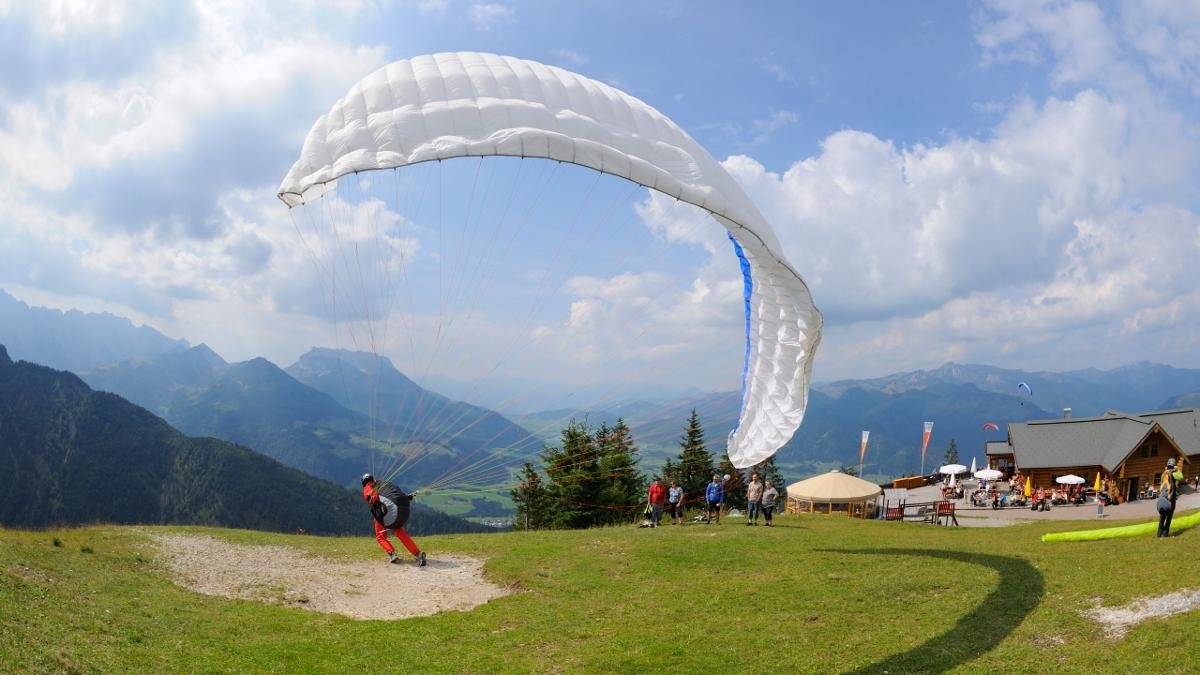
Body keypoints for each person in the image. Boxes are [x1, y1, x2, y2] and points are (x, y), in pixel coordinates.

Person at [362, 473, 426, 566]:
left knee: (380, 536)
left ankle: (392, 554)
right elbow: (395, 494)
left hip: (385, 513)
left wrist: (372, 498)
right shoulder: (382, 483)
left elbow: (371, 496)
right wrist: (407, 497)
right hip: (401, 509)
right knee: (399, 531)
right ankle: (418, 554)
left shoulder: (367, 487)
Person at [1157, 458, 1179, 538]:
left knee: (1162, 517)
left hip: (1162, 499)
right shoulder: (1173, 473)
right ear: (1174, 465)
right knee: (1169, 517)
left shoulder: (1163, 474)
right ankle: (1165, 534)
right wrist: (1176, 469)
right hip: (1170, 499)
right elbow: (1181, 476)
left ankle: (1159, 534)